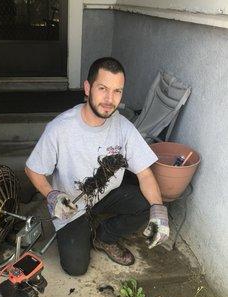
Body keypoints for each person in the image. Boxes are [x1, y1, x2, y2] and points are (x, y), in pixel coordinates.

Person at [25, 57, 169, 276]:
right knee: (75, 268)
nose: (110, 99)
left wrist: (159, 211)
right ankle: (83, 228)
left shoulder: (123, 127)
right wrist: (51, 194)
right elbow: (32, 169)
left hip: (106, 196)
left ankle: (105, 236)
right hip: (71, 206)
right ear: (87, 87)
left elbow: (145, 174)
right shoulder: (60, 128)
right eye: (103, 88)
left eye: (117, 91)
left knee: (147, 203)